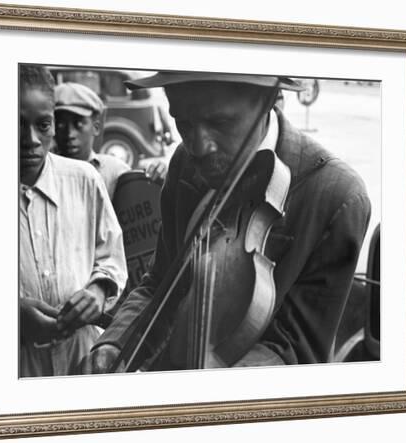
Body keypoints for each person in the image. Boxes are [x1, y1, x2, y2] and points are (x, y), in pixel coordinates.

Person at [79, 72, 372, 373]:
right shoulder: (184, 163)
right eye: (184, 122)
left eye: (221, 124)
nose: (198, 146)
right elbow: (160, 282)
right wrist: (114, 344)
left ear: (269, 101)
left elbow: (295, 351)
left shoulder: (336, 196)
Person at [19, 65, 127, 377]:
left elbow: (112, 259)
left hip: (83, 359)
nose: (31, 140)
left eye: (43, 125)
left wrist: (97, 292)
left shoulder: (84, 179)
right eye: (15, 124)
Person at [54, 82, 167, 198]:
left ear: (96, 127)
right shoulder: (46, 174)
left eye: (79, 124)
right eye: (60, 125)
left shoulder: (115, 172)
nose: (70, 134)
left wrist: (159, 178)